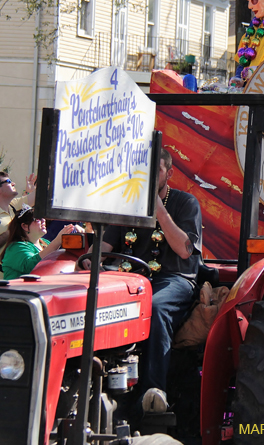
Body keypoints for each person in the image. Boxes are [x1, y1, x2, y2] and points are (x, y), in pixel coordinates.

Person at [93, 148, 202, 414]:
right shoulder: (126, 205)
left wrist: (159, 210)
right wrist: (91, 260)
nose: (148, 177)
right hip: (130, 278)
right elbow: (105, 248)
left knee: (153, 308)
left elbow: (185, 250)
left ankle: (154, 393)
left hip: (174, 278)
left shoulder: (186, 203)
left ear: (170, 173)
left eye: (156, 171)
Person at [1, 206, 79, 280]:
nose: (43, 221)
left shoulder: (45, 243)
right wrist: (57, 241)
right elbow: (32, 266)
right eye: (38, 219)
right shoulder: (15, 247)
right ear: (24, 226)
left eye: (43, 218)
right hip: (19, 292)